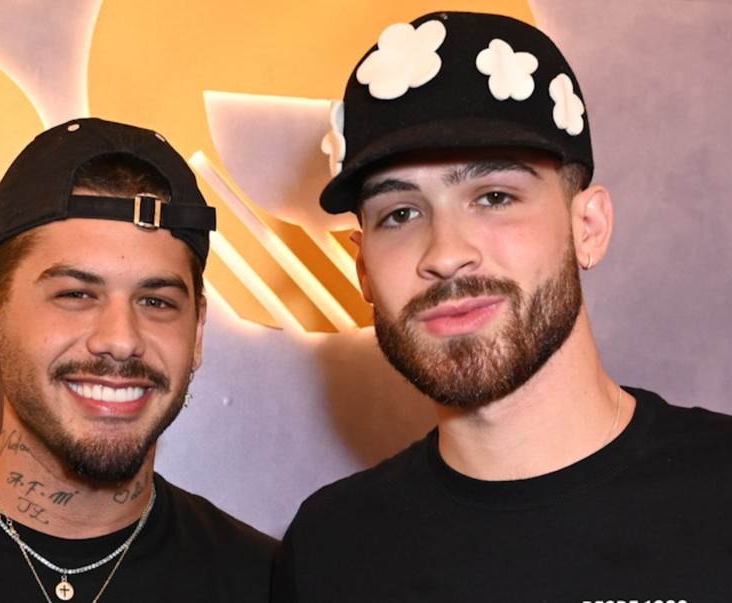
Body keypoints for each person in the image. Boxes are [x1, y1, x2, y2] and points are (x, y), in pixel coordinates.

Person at [273, 11, 732, 602]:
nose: (446, 254)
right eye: (400, 214)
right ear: (363, 269)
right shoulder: (328, 551)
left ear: (588, 227)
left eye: (493, 197)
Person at [0, 118, 275, 601]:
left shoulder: (267, 583)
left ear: (196, 334)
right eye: (76, 294)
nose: (121, 340)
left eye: (156, 301)